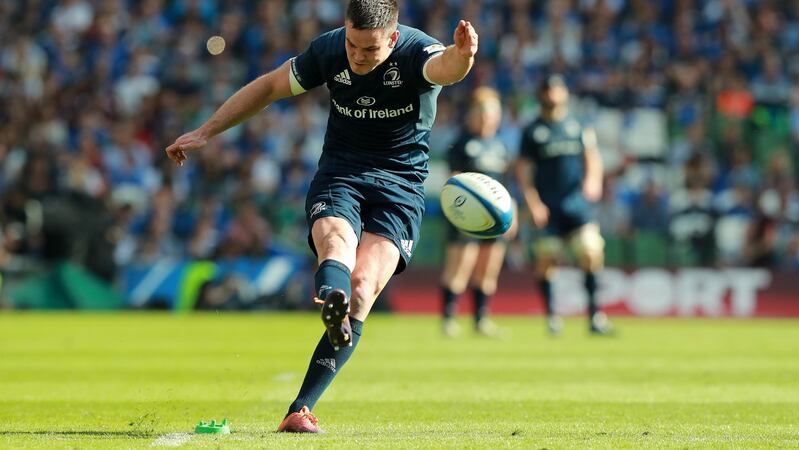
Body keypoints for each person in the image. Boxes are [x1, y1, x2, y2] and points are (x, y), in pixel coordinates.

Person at [165, 0, 478, 433]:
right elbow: (270, 87)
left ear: (392, 38)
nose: (358, 56)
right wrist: (205, 131)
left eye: (369, 49)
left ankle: (300, 407)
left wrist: (462, 57)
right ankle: (333, 302)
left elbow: (445, 68)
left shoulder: (416, 52)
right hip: (342, 172)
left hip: (401, 185)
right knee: (335, 242)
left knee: (365, 287)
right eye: (352, 44)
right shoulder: (330, 50)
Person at [513, 75, 613, 336]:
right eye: (547, 89)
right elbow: (523, 170)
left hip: (576, 203)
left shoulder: (578, 125)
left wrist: (593, 180)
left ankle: (595, 316)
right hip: (547, 206)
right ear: (541, 95)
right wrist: (533, 203)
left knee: (591, 252)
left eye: (556, 88)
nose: (552, 94)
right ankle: (552, 317)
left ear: (565, 92)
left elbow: (592, 156)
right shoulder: (532, 130)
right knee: (547, 260)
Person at [440, 87, 513, 338]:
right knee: (459, 268)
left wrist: (510, 214)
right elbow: (453, 181)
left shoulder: (499, 145)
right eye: (481, 112)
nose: (486, 118)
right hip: (467, 216)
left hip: (493, 218)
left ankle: (481, 319)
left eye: (491, 113)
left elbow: (503, 185)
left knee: (487, 271)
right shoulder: (462, 142)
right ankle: (449, 318)